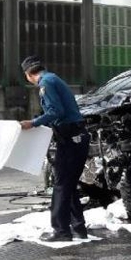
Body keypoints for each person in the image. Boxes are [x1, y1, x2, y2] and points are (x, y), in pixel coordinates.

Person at [20, 55, 89, 242]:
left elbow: (55, 111)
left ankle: (61, 231)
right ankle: (79, 228)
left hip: (70, 141)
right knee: (69, 185)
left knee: (60, 185)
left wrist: (33, 123)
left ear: (28, 74)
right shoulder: (54, 78)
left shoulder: (46, 83)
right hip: (77, 138)